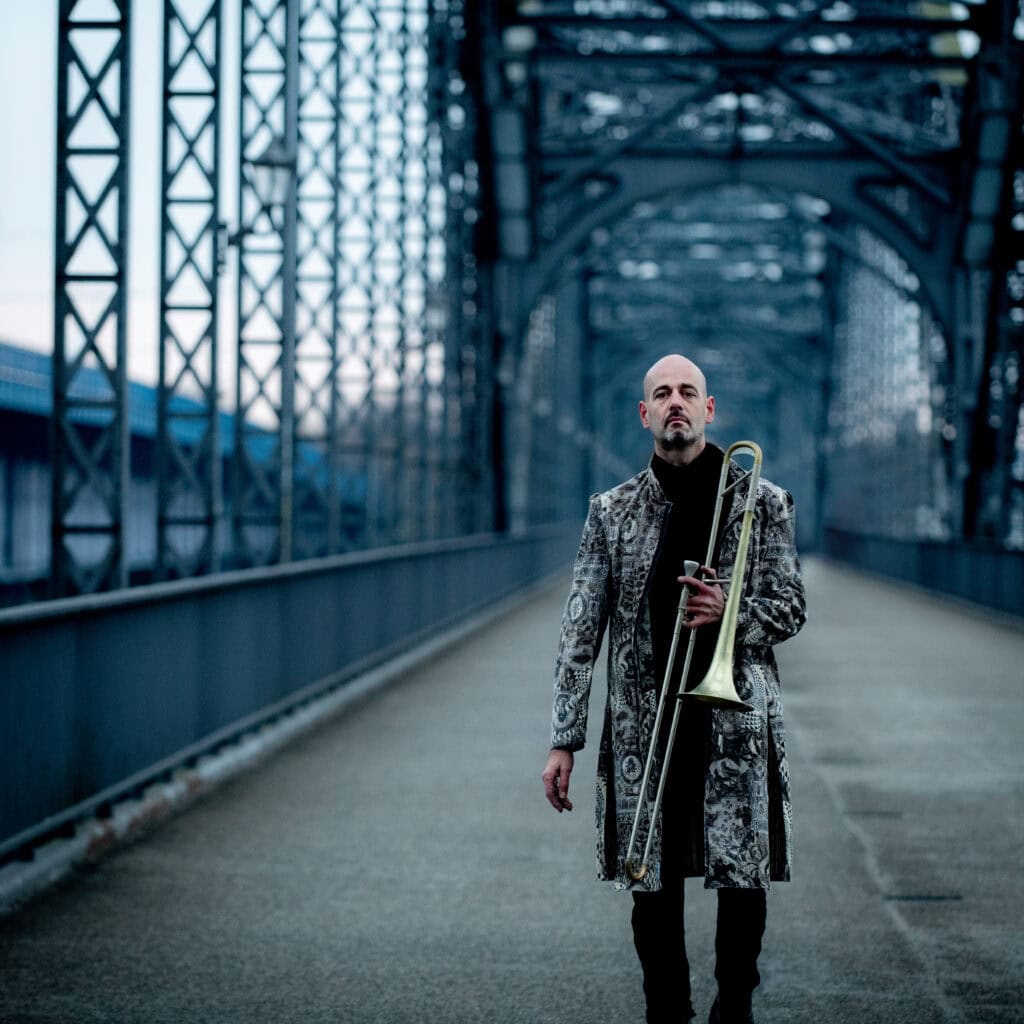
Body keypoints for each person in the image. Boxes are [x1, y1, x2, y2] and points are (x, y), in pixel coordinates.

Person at [542, 354, 806, 1024]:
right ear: (645, 414)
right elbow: (580, 629)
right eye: (662, 394)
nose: (676, 403)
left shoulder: (762, 501)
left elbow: (791, 606)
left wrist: (730, 615)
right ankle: (668, 1009)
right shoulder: (612, 512)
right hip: (642, 727)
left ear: (710, 409)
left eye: (689, 392)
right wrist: (563, 739)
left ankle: (735, 1006)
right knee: (650, 884)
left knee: (741, 879)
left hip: (735, 725)